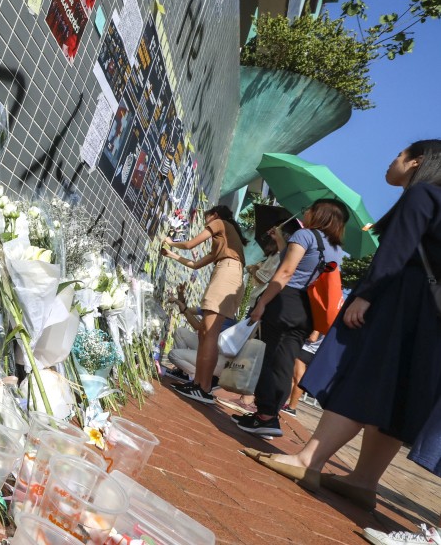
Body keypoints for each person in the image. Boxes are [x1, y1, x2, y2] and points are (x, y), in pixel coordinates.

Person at [243, 140, 441, 518]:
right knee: (394, 394)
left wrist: (366, 294)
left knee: (362, 377)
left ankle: (308, 459)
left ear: (417, 161)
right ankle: (364, 481)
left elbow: (395, 251)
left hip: (399, 301)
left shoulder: (422, 197)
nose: (392, 159)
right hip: (431, 316)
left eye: (399, 154)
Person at [235, 198, 348, 438]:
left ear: (321, 214)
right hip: (308, 310)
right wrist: (280, 239)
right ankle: (270, 415)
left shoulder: (305, 236)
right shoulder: (336, 249)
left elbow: (286, 272)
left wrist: (262, 303)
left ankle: (264, 416)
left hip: (284, 301)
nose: (306, 212)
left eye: (311, 209)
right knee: (285, 361)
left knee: (269, 357)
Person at [161, 205, 247, 403]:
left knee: (209, 333)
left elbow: (191, 244)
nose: (205, 223)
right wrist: (172, 254)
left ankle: (203, 386)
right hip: (227, 273)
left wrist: (171, 242)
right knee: (205, 333)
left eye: (206, 219)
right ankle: (200, 384)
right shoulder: (223, 244)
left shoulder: (220, 223)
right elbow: (195, 264)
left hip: (227, 273)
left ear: (214, 215)